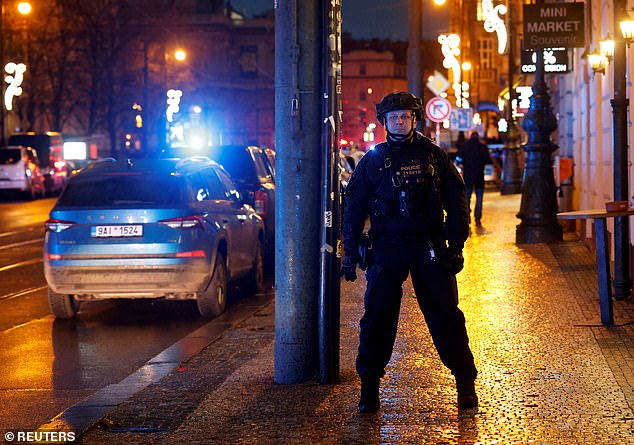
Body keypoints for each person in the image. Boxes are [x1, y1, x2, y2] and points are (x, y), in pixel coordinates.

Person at [340, 91, 478, 414]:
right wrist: (349, 249)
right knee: (376, 319)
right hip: (386, 248)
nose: (400, 122)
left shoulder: (434, 156)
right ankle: (369, 389)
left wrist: (456, 245)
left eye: (405, 117)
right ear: (385, 122)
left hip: (428, 247)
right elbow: (354, 206)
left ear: (414, 119)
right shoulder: (372, 161)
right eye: (394, 118)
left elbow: (457, 201)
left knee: (446, 316)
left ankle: (465, 382)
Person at [457, 131, 491, 226]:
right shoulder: (482, 147)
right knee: (479, 199)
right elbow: (488, 160)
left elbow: (459, 160)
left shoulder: (464, 147)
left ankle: (467, 218)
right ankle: (478, 218)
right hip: (479, 177)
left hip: (468, 177)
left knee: (467, 198)